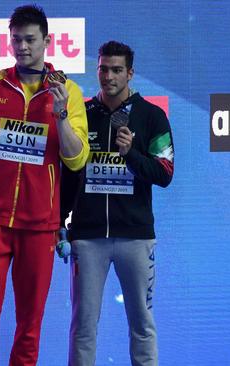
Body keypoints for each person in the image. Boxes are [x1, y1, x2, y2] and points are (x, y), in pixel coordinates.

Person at [0, 4, 89, 366]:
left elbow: (76, 158)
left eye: (30, 40)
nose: (23, 47)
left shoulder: (68, 92)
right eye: (16, 40)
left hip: (40, 227)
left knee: (30, 327)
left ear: (47, 41)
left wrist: (59, 115)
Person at [61, 40, 174, 366]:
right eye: (103, 69)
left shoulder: (152, 116)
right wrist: (60, 221)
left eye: (116, 70)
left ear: (130, 73)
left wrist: (132, 155)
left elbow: (165, 173)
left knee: (142, 325)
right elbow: (70, 173)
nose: (108, 76)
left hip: (136, 238)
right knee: (82, 327)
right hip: (87, 237)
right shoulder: (81, 113)